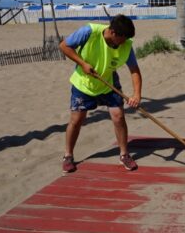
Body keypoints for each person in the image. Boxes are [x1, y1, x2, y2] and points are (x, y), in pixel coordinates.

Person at [59, 14, 142, 173]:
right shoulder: (89, 31)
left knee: (118, 116)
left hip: (108, 83)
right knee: (77, 120)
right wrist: (82, 63)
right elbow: (64, 46)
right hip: (84, 84)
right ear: (113, 32)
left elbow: (134, 71)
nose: (124, 43)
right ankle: (68, 156)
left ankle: (124, 154)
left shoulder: (126, 45)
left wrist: (136, 95)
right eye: (122, 39)